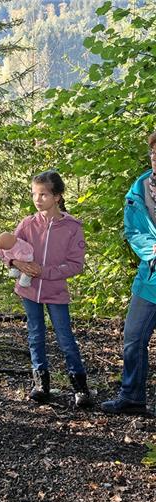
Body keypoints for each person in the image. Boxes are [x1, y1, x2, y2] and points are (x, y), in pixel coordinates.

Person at [0, 170, 92, 407]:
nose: (38, 199)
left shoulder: (72, 227)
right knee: (35, 336)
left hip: (56, 292)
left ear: (57, 196)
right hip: (29, 291)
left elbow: (76, 265)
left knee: (65, 338)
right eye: (34, 194)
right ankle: (41, 384)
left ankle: (81, 388)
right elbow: (2, 251)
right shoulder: (27, 224)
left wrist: (44, 271)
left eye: (44, 195)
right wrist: (17, 263)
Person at [101, 132, 156, 416]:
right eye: (153, 153)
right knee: (133, 337)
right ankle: (132, 396)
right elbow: (133, 232)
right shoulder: (140, 189)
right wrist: (153, 251)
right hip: (150, 277)